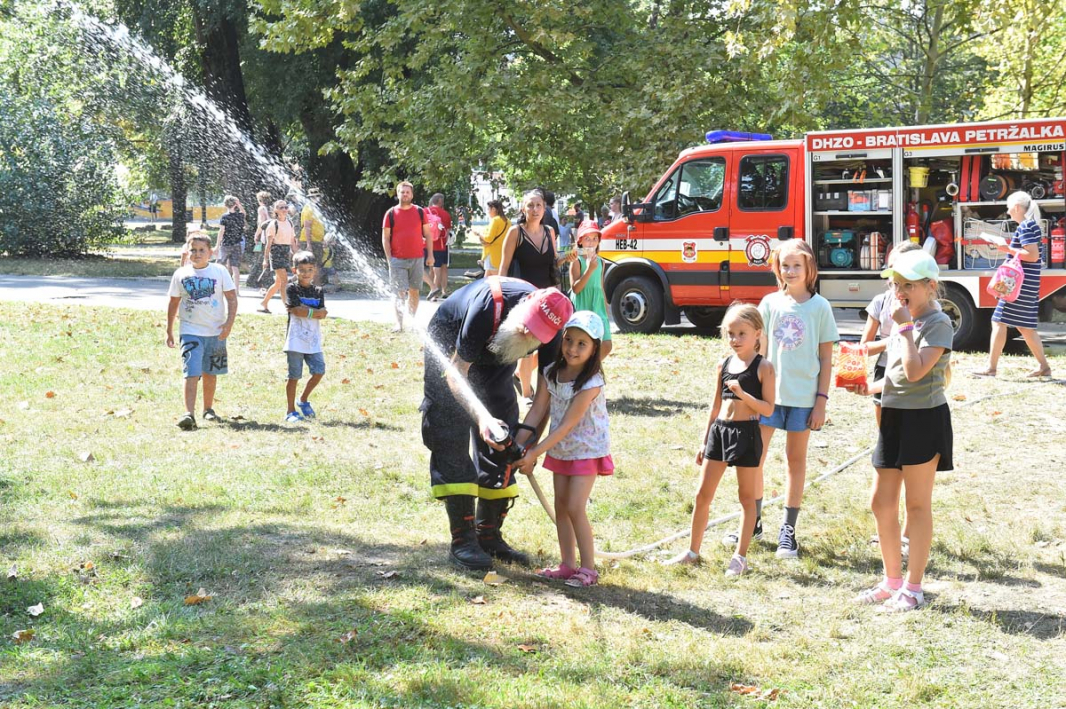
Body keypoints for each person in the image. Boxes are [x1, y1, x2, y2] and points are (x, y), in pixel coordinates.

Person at [422, 278, 574, 570]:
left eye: (536, 334)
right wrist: (482, 418)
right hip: (451, 347)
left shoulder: (555, 330)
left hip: (497, 355)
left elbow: (545, 396)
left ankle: (488, 535)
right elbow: (456, 373)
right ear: (524, 305)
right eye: (527, 324)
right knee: (449, 428)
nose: (527, 333)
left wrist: (526, 444)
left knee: (505, 437)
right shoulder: (487, 306)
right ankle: (463, 540)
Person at [846, 249, 954, 612]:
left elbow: (915, 371)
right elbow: (895, 376)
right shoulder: (903, 320)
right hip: (893, 416)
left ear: (930, 286)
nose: (899, 291)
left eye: (908, 285)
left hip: (923, 419)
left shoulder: (938, 323)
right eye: (896, 284)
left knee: (917, 505)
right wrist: (869, 389)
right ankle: (891, 581)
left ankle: (914, 587)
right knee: (880, 502)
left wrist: (904, 327)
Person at [722, 240, 837, 558]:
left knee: (795, 462)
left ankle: (788, 530)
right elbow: (756, 351)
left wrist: (821, 401)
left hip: (804, 399)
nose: (790, 271)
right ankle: (753, 522)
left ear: (809, 268)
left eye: (797, 265)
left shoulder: (820, 308)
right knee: (754, 459)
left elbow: (827, 358)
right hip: (767, 399)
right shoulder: (769, 304)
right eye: (785, 265)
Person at [665, 303, 776, 575]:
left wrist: (743, 395)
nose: (735, 339)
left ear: (757, 333)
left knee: (746, 498)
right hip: (720, 432)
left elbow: (768, 409)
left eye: (741, 333)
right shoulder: (724, 365)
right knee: (702, 494)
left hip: (747, 433)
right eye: (730, 334)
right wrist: (705, 440)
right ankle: (693, 551)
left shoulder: (764, 367)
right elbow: (715, 407)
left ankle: (740, 557)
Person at [513, 311, 612, 587]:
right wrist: (519, 445)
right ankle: (567, 565)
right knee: (561, 506)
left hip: (586, 450)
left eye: (582, 344)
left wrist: (535, 452)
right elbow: (538, 408)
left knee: (575, 506)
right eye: (568, 340)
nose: (572, 348)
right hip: (561, 450)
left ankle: (589, 569)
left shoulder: (591, 383)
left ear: (594, 349)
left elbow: (567, 425)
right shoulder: (551, 373)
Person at [861, 241, 926, 557]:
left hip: (914, 378)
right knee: (889, 452)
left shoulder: (923, 306)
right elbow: (865, 346)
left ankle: (908, 533)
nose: (898, 284)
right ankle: (888, 528)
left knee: (910, 458)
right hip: (885, 373)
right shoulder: (880, 302)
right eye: (893, 274)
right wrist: (893, 339)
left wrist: (904, 330)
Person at [498, 190, 578, 404]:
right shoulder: (515, 232)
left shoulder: (549, 231)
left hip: (548, 297)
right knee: (527, 346)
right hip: (524, 298)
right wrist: (501, 298)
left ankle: (530, 382)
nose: (535, 210)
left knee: (549, 344)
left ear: (544, 208)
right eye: (530, 205)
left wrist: (566, 258)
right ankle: (526, 393)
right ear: (523, 208)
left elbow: (552, 263)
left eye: (538, 205)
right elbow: (503, 268)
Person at [975, 191, 1052, 378]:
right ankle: (1044, 367)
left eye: (1009, 207)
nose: (1008, 211)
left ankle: (991, 368)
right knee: (1025, 327)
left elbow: (1032, 256)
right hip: (1027, 283)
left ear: (1017, 207)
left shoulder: (1025, 227)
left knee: (998, 321)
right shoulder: (1030, 225)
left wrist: (1006, 248)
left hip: (1019, 285)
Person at [166, 233, 237, 431]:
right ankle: (189, 414)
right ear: (187, 252)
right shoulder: (181, 274)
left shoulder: (219, 271)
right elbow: (173, 302)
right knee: (191, 372)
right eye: (193, 250)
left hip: (215, 332)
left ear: (210, 252)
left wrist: (229, 324)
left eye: (201, 250)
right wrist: (169, 329)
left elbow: (232, 298)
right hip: (190, 331)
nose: (197, 254)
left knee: (210, 372)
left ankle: (208, 409)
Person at [382, 181, 434, 332]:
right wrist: (389, 259)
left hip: (417, 258)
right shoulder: (390, 213)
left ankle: (411, 322)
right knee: (399, 293)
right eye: (402, 192)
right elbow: (385, 238)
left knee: (414, 291)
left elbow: (428, 234)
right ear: (397, 194)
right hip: (397, 259)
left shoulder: (420, 212)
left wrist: (430, 255)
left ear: (412, 195)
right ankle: (399, 324)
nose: (405, 194)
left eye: (407, 192)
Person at [283, 251, 328, 423]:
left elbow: (323, 313)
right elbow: (296, 310)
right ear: (294, 270)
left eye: (309, 269)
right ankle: (290, 411)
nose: (306, 273)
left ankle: (303, 400)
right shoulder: (291, 288)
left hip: (313, 341)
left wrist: (306, 311)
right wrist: (313, 312)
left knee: (319, 371)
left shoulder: (318, 291)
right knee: (294, 375)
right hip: (295, 340)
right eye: (302, 270)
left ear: (315, 270)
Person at [568, 220, 613, 360]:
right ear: (580, 241)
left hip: (598, 307)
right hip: (583, 306)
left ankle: (591, 367)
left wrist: (606, 308)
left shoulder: (601, 262)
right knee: (583, 343)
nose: (591, 243)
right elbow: (576, 289)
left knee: (606, 344)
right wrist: (589, 269)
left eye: (595, 239)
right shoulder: (577, 261)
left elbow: (600, 286)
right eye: (587, 239)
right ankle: (583, 368)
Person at [258, 200, 297, 314]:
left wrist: (297, 255)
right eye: (281, 208)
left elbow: (292, 241)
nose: (284, 209)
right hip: (276, 252)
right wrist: (265, 260)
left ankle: (264, 303)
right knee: (284, 281)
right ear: (276, 210)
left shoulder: (289, 223)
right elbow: (268, 245)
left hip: (285, 251)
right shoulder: (273, 224)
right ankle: (287, 307)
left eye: (286, 207)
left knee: (278, 283)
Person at [215, 195, 246, 296]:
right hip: (237, 244)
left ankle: (217, 288)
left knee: (219, 266)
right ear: (235, 205)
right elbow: (244, 212)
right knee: (235, 268)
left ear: (225, 205)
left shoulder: (224, 217)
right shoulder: (240, 216)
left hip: (226, 244)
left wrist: (217, 245)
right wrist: (239, 204)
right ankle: (236, 290)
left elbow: (221, 231)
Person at [426, 193, 453, 301]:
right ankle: (442, 291)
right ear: (441, 202)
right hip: (441, 245)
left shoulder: (425, 212)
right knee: (441, 268)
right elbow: (447, 232)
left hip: (427, 245)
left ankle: (432, 290)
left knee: (431, 269)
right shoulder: (446, 214)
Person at [246, 191, 272, 292]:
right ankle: (266, 280)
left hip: (262, 238)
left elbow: (261, 223)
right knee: (265, 258)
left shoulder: (261, 209)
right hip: (270, 237)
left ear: (259, 200)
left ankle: (254, 280)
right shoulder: (270, 209)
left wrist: (256, 235)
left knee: (259, 258)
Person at [300, 189, 327, 286]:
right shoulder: (308, 209)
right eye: (315, 196)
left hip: (317, 241)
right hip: (310, 241)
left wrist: (323, 239)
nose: (317, 198)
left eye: (318, 196)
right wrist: (308, 244)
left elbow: (319, 226)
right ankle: (313, 287)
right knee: (310, 266)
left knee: (316, 266)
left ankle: (314, 287)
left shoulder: (316, 209)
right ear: (310, 198)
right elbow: (307, 227)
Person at [480, 199, 509, 277]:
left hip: (492, 254)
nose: (488, 212)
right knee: (487, 278)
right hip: (502, 254)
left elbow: (489, 238)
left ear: (493, 209)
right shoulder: (508, 222)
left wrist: (479, 234)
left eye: (488, 209)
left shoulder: (495, 220)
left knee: (494, 279)